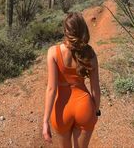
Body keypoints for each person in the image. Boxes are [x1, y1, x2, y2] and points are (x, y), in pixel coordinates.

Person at [42, 12, 101, 148]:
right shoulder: (90, 54)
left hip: (61, 110)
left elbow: (51, 89)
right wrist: (96, 111)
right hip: (84, 107)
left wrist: (45, 121)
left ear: (65, 30)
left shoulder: (53, 52)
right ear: (83, 30)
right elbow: (95, 88)